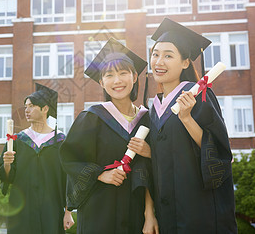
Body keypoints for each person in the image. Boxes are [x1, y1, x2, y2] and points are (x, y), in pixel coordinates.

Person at [147, 18, 237, 233]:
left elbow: (219, 153)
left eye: (168, 55)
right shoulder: (154, 107)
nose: (159, 61)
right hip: (166, 213)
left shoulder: (200, 96)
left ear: (185, 62)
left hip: (199, 212)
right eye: (155, 54)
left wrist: (186, 118)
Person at [59, 38, 158, 234]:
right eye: (109, 75)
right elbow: (69, 160)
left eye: (123, 73)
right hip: (98, 213)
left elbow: (150, 172)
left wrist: (149, 215)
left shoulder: (147, 119)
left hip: (136, 214)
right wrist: (100, 174)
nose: (117, 80)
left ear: (135, 77)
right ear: (101, 82)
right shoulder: (92, 118)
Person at [0, 83, 74, 234]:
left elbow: (68, 179)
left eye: (31, 106)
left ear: (45, 109)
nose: (27, 110)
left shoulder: (60, 141)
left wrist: (68, 211)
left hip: (51, 210)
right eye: (25, 107)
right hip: (21, 210)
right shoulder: (17, 139)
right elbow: (7, 178)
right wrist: (6, 164)